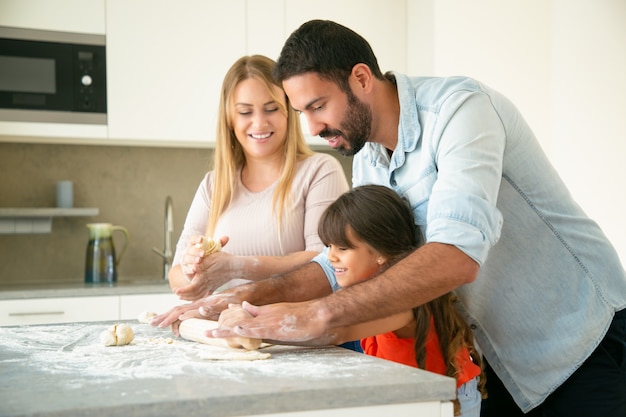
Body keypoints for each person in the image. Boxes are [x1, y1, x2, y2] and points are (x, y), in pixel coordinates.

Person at [153, 21, 626, 416]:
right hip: (497, 364)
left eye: (317, 107)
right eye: (302, 112)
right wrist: (245, 298)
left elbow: (457, 256)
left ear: (361, 78)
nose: (312, 128)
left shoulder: (461, 112)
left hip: (581, 343)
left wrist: (316, 315)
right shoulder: (368, 160)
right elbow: (340, 264)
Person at [168, 54, 349, 299]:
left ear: (288, 111)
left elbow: (325, 261)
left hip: (294, 333)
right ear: (230, 119)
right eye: (245, 112)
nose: (259, 123)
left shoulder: (319, 171)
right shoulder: (214, 185)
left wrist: (237, 267)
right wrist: (193, 267)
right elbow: (176, 273)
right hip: (227, 330)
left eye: (271, 109)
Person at [308, 184, 486, 416]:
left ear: (381, 253)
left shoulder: (399, 302)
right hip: (416, 395)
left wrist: (259, 325)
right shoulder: (367, 289)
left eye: (342, 247)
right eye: (328, 246)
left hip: (452, 400)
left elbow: (335, 328)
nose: (331, 256)